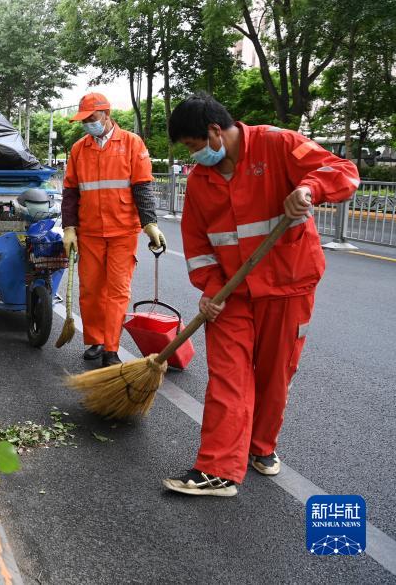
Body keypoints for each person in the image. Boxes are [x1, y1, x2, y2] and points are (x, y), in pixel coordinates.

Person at [162, 94, 359, 497]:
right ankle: (217, 469)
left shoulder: (278, 143)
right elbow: (198, 246)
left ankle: (261, 445)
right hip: (230, 294)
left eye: (193, 145)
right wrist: (211, 289)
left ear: (215, 132)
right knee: (227, 377)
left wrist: (309, 189)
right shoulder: (200, 181)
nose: (193, 155)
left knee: (274, 375)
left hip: (288, 285)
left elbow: (343, 171)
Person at [61, 92, 166, 367]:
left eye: (92, 118)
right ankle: (95, 341)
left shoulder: (132, 143)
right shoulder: (79, 149)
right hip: (90, 232)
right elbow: (70, 192)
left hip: (123, 232)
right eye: (84, 120)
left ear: (106, 115)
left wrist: (150, 224)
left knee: (117, 292)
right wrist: (69, 228)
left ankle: (111, 347)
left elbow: (142, 187)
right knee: (91, 290)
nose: (88, 124)